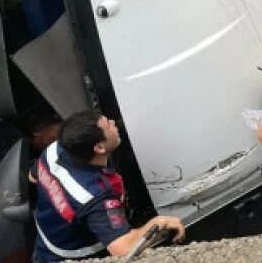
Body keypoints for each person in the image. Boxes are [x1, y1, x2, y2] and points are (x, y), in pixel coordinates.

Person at [31, 111, 185, 261]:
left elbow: (32, 177)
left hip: (47, 239)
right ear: (99, 148)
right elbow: (122, 248)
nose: (114, 123)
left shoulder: (56, 149)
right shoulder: (94, 197)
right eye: (109, 126)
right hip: (68, 256)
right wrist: (157, 223)